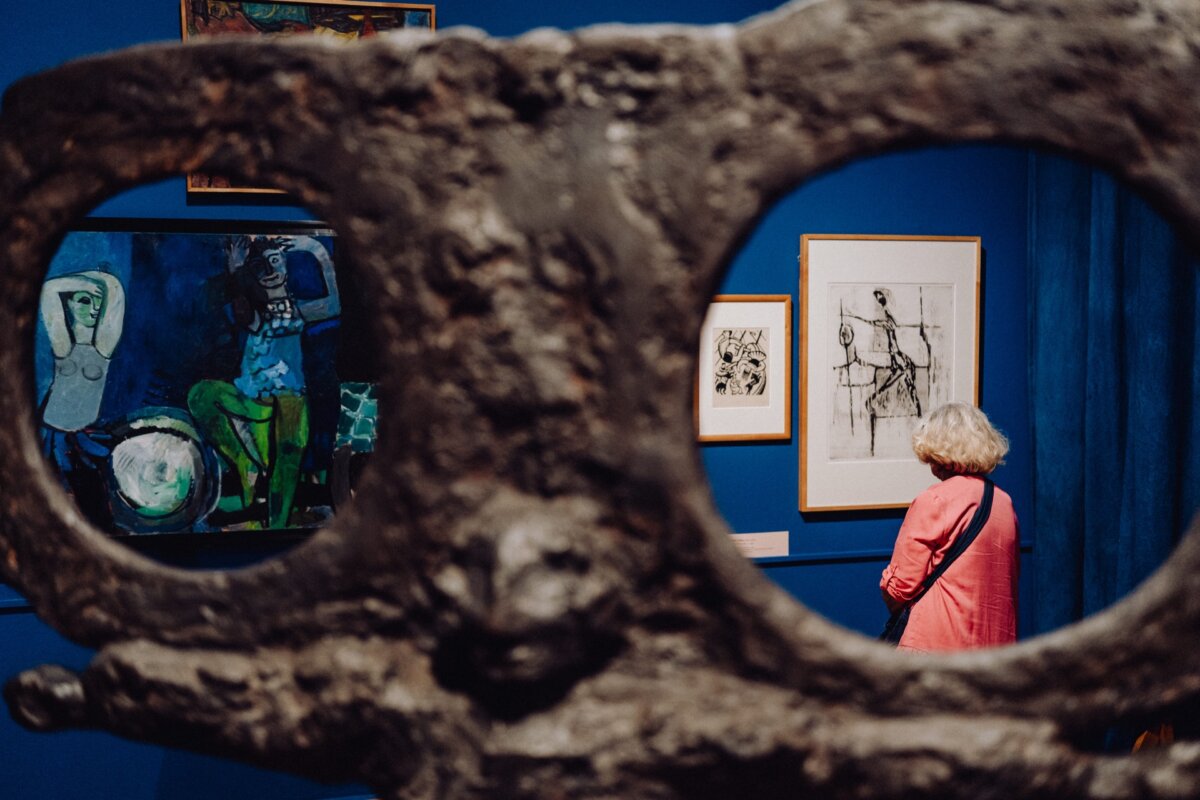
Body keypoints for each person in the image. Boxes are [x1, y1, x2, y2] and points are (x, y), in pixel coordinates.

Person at [188, 235, 340, 529]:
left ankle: (275, 526)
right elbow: (237, 310)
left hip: (292, 396)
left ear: (285, 266)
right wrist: (237, 270)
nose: (270, 272)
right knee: (201, 395)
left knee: (290, 452)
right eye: (262, 267)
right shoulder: (254, 312)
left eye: (275, 262)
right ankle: (246, 466)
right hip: (255, 400)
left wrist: (316, 250)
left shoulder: (298, 311)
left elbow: (332, 304)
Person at [880, 402, 1019, 651]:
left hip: (935, 645)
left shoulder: (933, 500)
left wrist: (887, 583)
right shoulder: (1004, 503)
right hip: (994, 650)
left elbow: (900, 587)